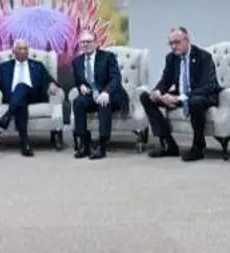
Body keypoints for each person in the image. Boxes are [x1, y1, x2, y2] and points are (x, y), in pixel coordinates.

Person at [140, 27, 221, 162]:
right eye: (171, 43)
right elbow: (166, 80)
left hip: (202, 95)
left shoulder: (203, 57)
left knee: (195, 101)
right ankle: (168, 144)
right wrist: (158, 92)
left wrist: (179, 98)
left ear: (187, 40)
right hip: (180, 94)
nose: (173, 46)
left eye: (177, 42)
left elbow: (207, 86)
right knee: (146, 97)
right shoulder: (171, 58)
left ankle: (198, 147)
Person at [0, 38, 55, 157]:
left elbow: (49, 79)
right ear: (13, 51)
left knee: (21, 86)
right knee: (20, 104)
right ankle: (25, 143)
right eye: (20, 49)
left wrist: (51, 85)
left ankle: (7, 116)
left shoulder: (37, 65)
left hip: (33, 95)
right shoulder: (4, 66)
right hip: (13, 97)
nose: (23, 51)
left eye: (25, 49)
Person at [70, 31, 127, 160]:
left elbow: (115, 78)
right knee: (78, 102)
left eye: (89, 41)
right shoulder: (77, 62)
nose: (86, 44)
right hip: (91, 95)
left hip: (110, 94)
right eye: (83, 42)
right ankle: (84, 144)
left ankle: (102, 145)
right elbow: (77, 80)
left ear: (96, 43)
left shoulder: (108, 57)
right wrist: (81, 86)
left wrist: (106, 92)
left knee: (103, 103)